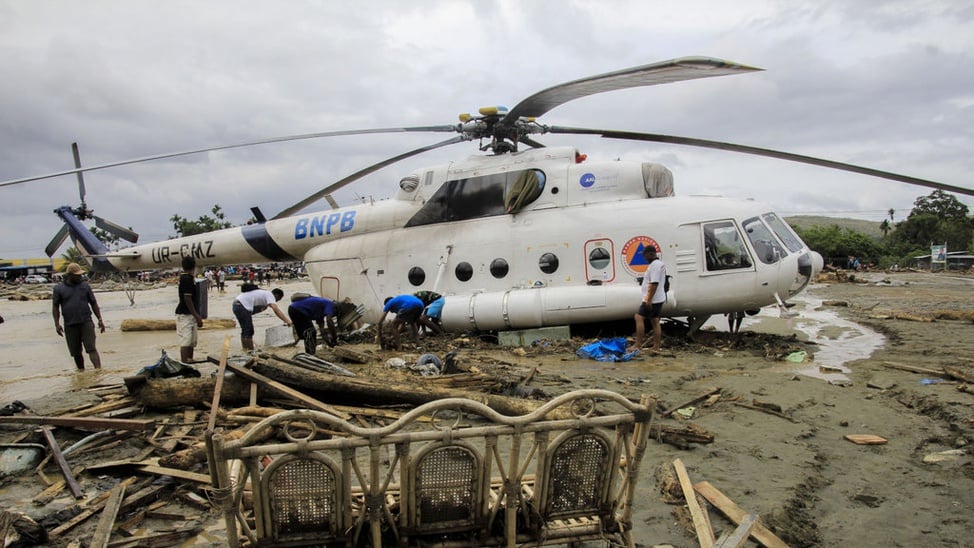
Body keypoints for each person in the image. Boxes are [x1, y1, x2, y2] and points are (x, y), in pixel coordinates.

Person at [52, 263, 104, 370]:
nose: (80, 277)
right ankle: (81, 374)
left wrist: (100, 319)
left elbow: (93, 303)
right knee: (76, 353)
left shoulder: (85, 286)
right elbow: (55, 307)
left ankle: (98, 371)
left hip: (86, 322)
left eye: (80, 275)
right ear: (70, 275)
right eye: (77, 275)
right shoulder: (59, 289)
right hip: (70, 325)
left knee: (91, 348)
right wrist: (57, 324)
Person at [629, 247, 666, 354]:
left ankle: (638, 345)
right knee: (654, 321)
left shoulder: (655, 265)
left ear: (650, 254)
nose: (644, 257)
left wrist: (648, 300)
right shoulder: (659, 264)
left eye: (644, 255)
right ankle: (656, 346)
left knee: (639, 317)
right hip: (657, 298)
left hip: (653, 299)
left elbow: (654, 283)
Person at [232, 287, 291, 352]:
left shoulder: (264, 294)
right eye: (277, 299)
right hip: (241, 306)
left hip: (237, 305)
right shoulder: (269, 295)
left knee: (246, 330)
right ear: (276, 295)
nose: (276, 301)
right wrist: (287, 321)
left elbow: (253, 310)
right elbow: (276, 309)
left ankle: (246, 350)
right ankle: (251, 351)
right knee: (249, 330)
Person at [175, 256, 204, 362]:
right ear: (194, 266)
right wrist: (197, 316)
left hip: (190, 314)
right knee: (186, 341)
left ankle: (190, 361)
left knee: (192, 342)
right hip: (185, 314)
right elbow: (187, 298)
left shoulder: (190, 279)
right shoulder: (186, 279)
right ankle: (185, 364)